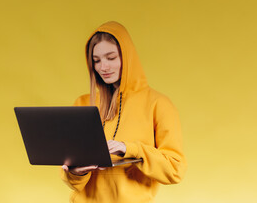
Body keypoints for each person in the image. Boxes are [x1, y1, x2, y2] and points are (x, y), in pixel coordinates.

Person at [61, 21, 187, 203]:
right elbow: (70, 176)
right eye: (96, 61)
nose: (103, 67)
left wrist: (130, 149)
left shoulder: (159, 104)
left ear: (127, 57)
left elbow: (175, 169)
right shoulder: (82, 103)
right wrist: (75, 172)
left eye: (111, 58)